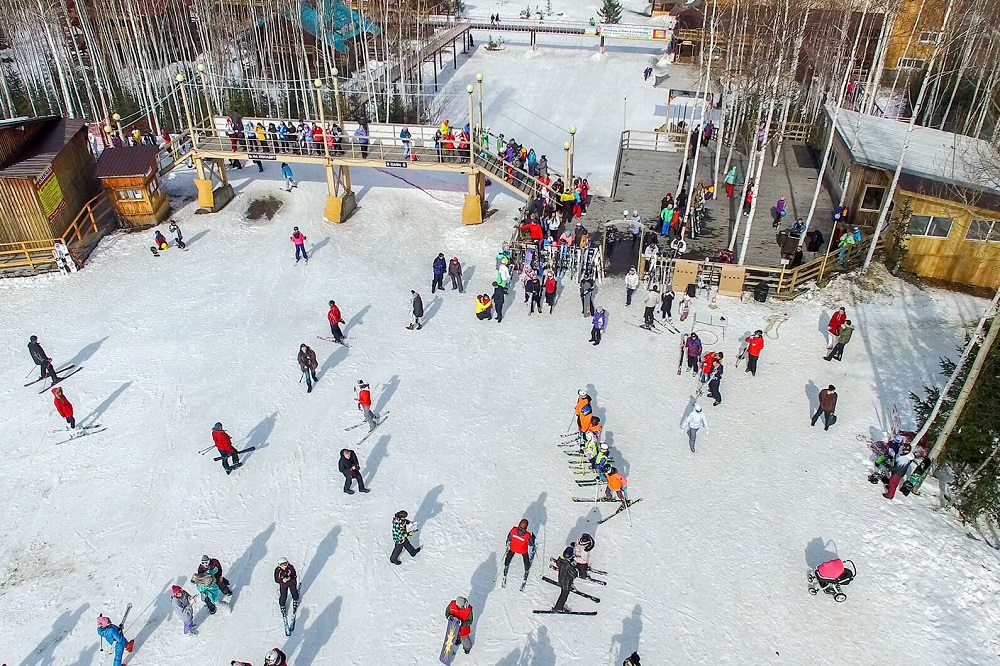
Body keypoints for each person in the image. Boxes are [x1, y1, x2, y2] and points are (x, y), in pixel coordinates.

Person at [551, 546, 579, 612]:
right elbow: (575, 574)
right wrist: (574, 567)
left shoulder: (560, 560)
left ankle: (559, 606)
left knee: (563, 592)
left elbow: (558, 563)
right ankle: (559, 607)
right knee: (564, 595)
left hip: (561, 579)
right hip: (566, 583)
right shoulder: (569, 566)